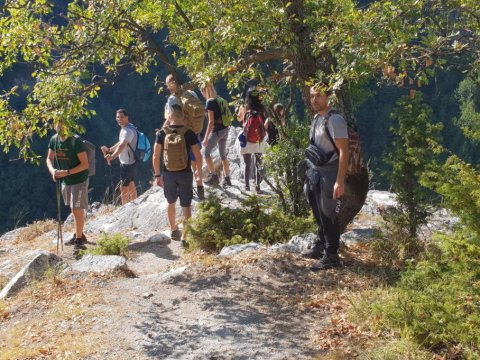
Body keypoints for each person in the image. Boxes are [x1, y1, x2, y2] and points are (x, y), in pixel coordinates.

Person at [303, 85, 349, 270]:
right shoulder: (316, 119)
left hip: (330, 172)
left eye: (319, 96)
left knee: (329, 212)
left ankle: (331, 254)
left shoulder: (335, 119)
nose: (315, 100)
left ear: (328, 97)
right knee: (318, 210)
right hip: (316, 172)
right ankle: (321, 244)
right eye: (312, 96)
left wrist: (339, 180)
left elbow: (344, 151)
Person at [152, 96, 203, 246]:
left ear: (170, 116)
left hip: (168, 173)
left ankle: (173, 229)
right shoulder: (189, 133)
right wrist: (198, 173)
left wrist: (157, 175)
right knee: (186, 204)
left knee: (171, 201)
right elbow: (198, 156)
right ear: (182, 117)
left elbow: (156, 156)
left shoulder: (162, 133)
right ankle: (185, 238)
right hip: (185, 172)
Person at [46, 122, 89, 258]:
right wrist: (53, 170)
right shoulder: (54, 140)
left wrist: (67, 172)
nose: (59, 126)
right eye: (57, 124)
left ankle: (79, 240)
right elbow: (49, 158)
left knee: (77, 208)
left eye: (62, 123)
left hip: (78, 179)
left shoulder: (75, 141)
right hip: (66, 180)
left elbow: (85, 165)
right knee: (73, 208)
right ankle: (80, 234)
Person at [165, 74, 205, 200]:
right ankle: (200, 186)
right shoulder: (191, 93)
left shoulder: (172, 99)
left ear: (173, 83)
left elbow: (171, 117)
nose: (167, 87)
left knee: (186, 163)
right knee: (197, 160)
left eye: (168, 84)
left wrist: (162, 131)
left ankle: (189, 190)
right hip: (196, 132)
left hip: (183, 135)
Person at [101, 109, 138, 205]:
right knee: (130, 183)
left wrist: (112, 156)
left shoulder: (127, 131)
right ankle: (136, 201)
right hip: (130, 161)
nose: (119, 119)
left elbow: (123, 145)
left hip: (127, 162)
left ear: (127, 117)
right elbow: (120, 143)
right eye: (117, 117)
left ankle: (124, 207)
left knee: (123, 186)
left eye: (121, 117)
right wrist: (109, 150)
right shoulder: (127, 128)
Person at [200, 83, 232, 187]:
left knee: (206, 153)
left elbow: (211, 121)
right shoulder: (219, 99)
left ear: (205, 91)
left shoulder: (210, 102)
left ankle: (214, 177)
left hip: (217, 131)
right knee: (223, 155)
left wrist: (205, 138)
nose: (202, 94)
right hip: (225, 130)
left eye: (202, 92)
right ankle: (227, 178)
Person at [238, 86, 267, 193]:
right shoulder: (262, 108)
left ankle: (246, 186)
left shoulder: (245, 107)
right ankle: (257, 186)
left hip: (247, 139)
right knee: (258, 163)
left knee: (247, 163)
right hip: (259, 139)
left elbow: (241, 120)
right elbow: (264, 124)